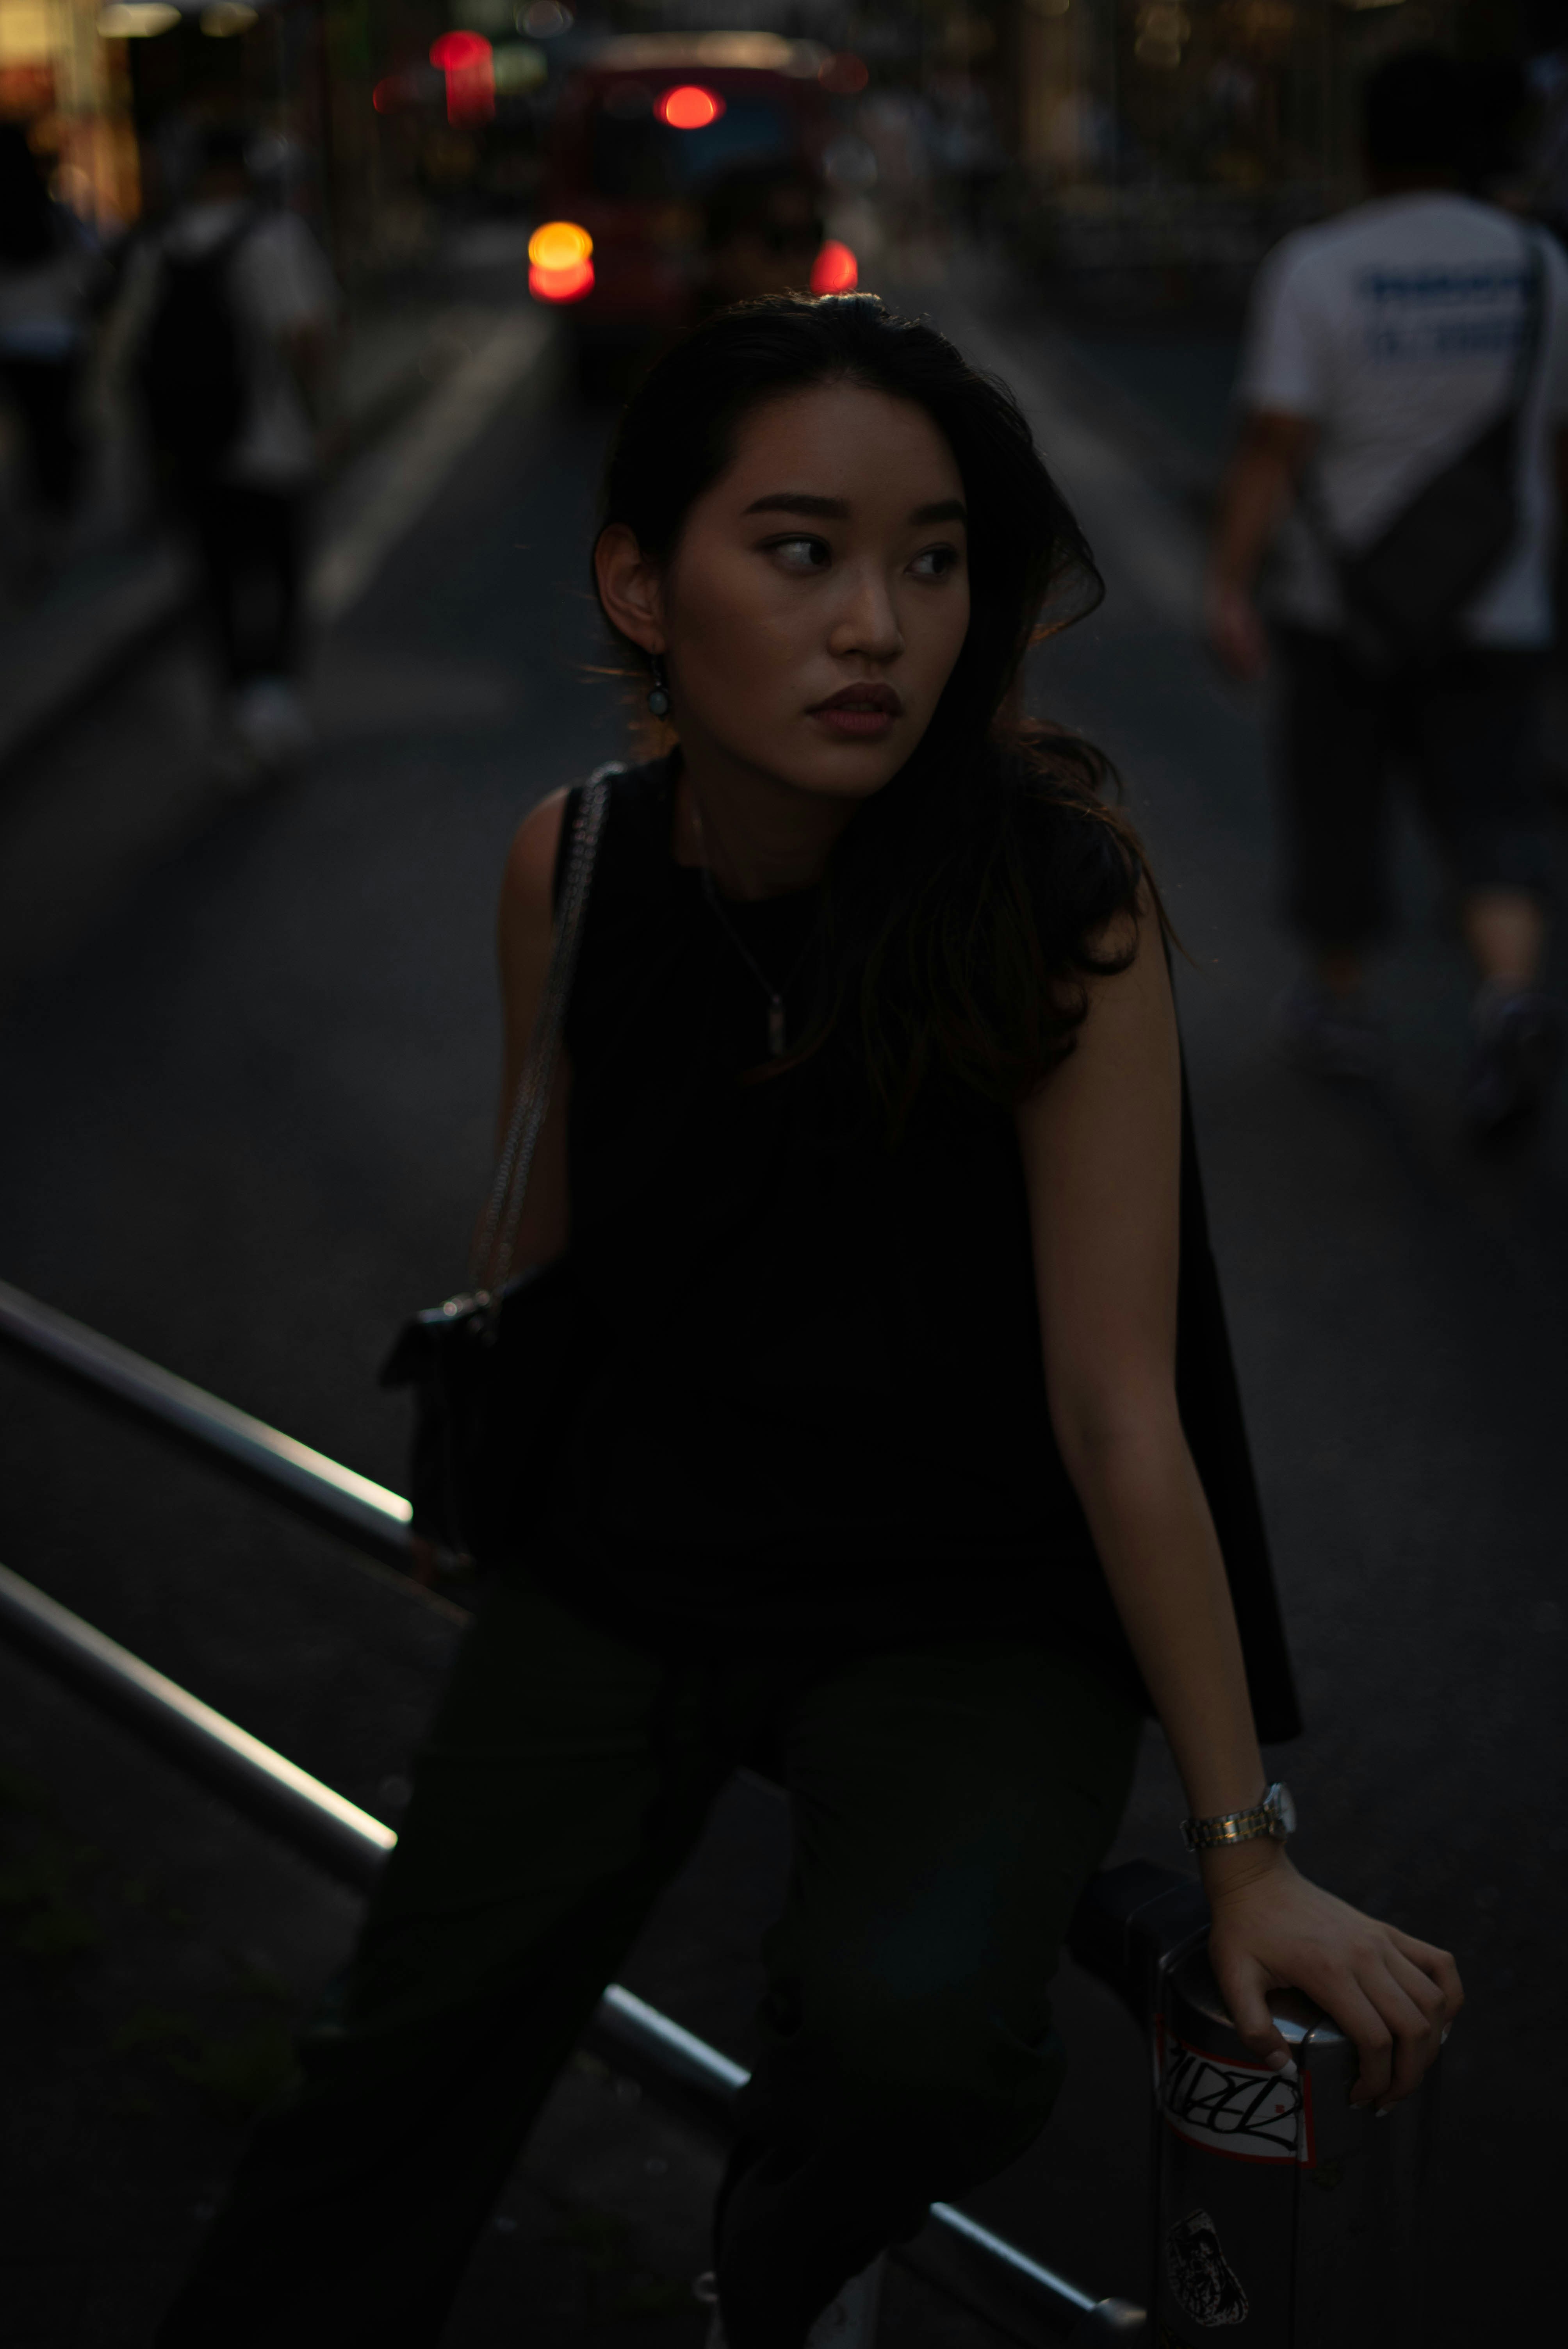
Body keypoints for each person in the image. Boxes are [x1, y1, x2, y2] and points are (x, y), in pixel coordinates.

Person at [157, 295, 1459, 2349]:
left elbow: (1126, 1405)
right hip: (630, 1565)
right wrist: (480, 1491)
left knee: (921, 2040)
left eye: (933, 561)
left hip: (966, 1603)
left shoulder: (1056, 906)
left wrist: (1242, 1851)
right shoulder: (573, 864)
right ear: (638, 582)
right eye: (800, 552)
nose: (881, 625)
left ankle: (762, 2281)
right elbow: (547, 1242)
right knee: (395, 2057)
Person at [1206, 49, 1566, 1141]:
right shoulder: (1539, 266)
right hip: (1499, 602)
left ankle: (1342, 1005)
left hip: (1342, 606)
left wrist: (1229, 584)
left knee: (1339, 806)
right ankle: (1506, 998)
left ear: (1362, 147)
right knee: (1491, 811)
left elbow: (1275, 446)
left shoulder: (1318, 267)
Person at [120, 123, 336, 780]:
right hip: (272, 446)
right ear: (246, 173)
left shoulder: (158, 245)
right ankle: (270, 698)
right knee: (282, 574)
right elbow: (304, 336)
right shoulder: (276, 238)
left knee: (215, 582)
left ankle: (235, 706)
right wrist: (324, 415)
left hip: (192, 451)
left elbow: (130, 354)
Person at [0, 123, 103, 590]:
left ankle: (31, 533)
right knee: (54, 438)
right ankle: (51, 530)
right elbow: (89, 276)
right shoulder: (57, 217)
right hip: (59, 343)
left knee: (27, 440)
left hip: (12, 345)